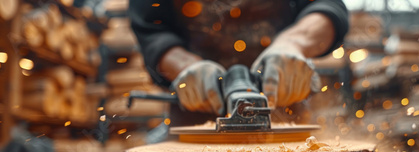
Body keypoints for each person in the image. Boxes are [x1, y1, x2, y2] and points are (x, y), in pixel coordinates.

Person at [129, 0, 348, 126]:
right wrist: (186, 67)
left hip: (286, 115)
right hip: (195, 120)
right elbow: (152, 28)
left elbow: (328, 6)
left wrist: (293, 44)